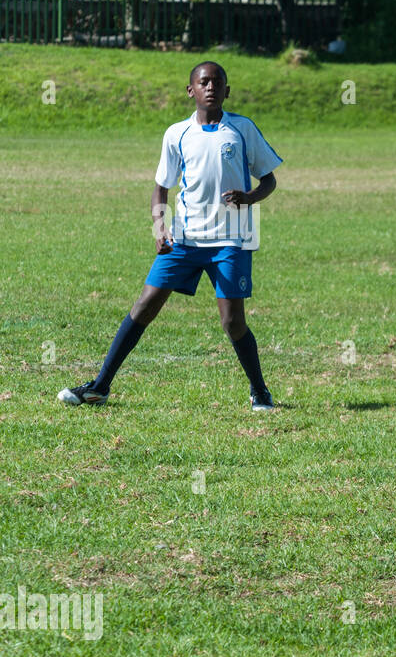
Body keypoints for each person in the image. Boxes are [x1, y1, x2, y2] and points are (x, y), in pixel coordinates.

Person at [57, 62, 282, 411]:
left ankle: (260, 391)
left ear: (227, 90)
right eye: (203, 82)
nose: (210, 87)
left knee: (232, 321)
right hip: (184, 240)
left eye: (217, 82)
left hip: (231, 242)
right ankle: (100, 386)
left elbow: (268, 180)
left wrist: (249, 197)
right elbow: (161, 187)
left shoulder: (241, 129)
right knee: (145, 305)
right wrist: (159, 226)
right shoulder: (176, 133)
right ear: (190, 90)